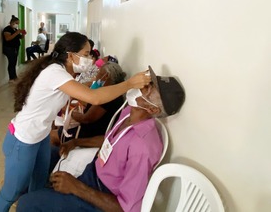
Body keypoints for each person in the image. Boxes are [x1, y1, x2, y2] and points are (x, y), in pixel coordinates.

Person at [0, 32, 151, 212]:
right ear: (70, 55)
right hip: (23, 139)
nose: (90, 59)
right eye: (86, 54)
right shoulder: (55, 73)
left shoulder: (66, 73)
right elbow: (94, 98)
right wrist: (129, 84)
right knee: (10, 193)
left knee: (38, 184)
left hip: (41, 137)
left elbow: (81, 95)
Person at [16, 67, 185, 212]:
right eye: (147, 83)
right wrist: (75, 142)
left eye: (148, 89)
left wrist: (77, 188)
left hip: (101, 196)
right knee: (46, 155)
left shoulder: (143, 147)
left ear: (152, 109)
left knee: (27, 205)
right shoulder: (129, 112)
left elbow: (126, 208)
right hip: (93, 171)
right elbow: (110, 141)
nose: (141, 86)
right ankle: (36, 192)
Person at [49, 62, 126, 171]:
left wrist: (71, 113)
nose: (97, 76)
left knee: (51, 136)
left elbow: (87, 119)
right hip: (91, 128)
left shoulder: (107, 97)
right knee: (56, 128)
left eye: (99, 73)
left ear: (106, 76)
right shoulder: (112, 93)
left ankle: (52, 161)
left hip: (89, 133)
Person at [2, 15, 26, 83]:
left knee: (14, 62)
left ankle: (14, 76)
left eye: (18, 23)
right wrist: (16, 33)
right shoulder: (7, 29)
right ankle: (11, 78)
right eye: (16, 23)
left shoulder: (15, 29)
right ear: (12, 22)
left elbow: (20, 37)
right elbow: (8, 38)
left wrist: (23, 34)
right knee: (11, 63)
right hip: (9, 49)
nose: (17, 25)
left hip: (15, 48)